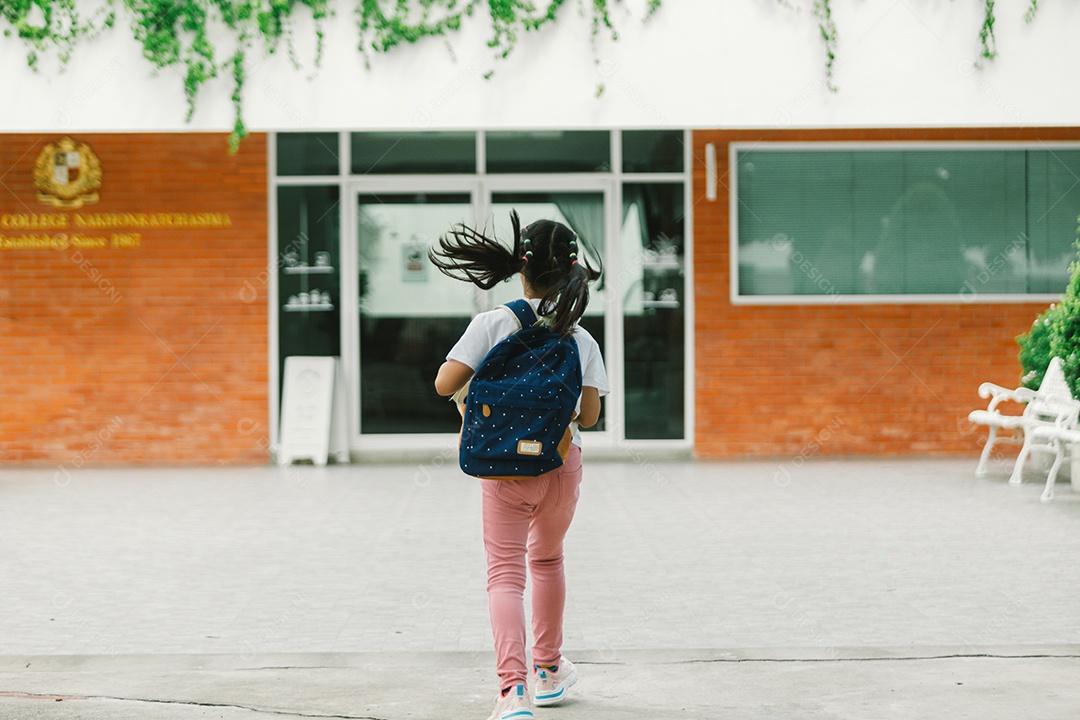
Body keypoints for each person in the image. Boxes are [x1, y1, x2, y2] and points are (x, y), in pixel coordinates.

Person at [430, 211, 609, 720]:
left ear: (520, 268)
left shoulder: (493, 322)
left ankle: (513, 692)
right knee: (548, 561)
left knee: (504, 577)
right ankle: (549, 671)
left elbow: (444, 384)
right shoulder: (580, 336)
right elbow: (591, 416)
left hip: (502, 468)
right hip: (560, 465)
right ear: (572, 268)